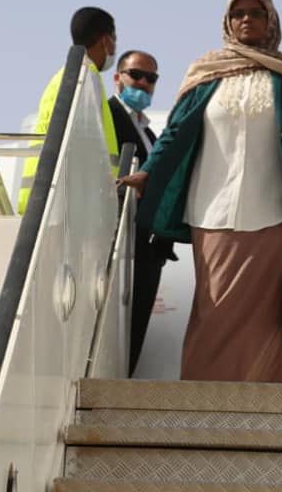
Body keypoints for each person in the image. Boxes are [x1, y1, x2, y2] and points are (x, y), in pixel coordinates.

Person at [119, 0, 282, 383]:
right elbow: (174, 132)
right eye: (238, 13)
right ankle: (205, 398)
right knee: (214, 309)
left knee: (272, 319)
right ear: (227, 22)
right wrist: (148, 172)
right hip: (213, 213)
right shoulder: (207, 75)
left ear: (271, 21)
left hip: (280, 217)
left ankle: (266, 402)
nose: (247, 20)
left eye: (256, 13)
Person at [108, 50, 177, 375]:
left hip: (148, 246)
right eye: (136, 75)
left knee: (133, 334)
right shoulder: (108, 116)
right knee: (118, 333)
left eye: (151, 78)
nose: (144, 84)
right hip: (121, 241)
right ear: (117, 77)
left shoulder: (149, 134)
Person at [18, 7, 120, 214]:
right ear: (105, 40)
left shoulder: (64, 76)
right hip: (67, 203)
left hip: (46, 197)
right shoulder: (86, 77)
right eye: (114, 38)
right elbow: (88, 144)